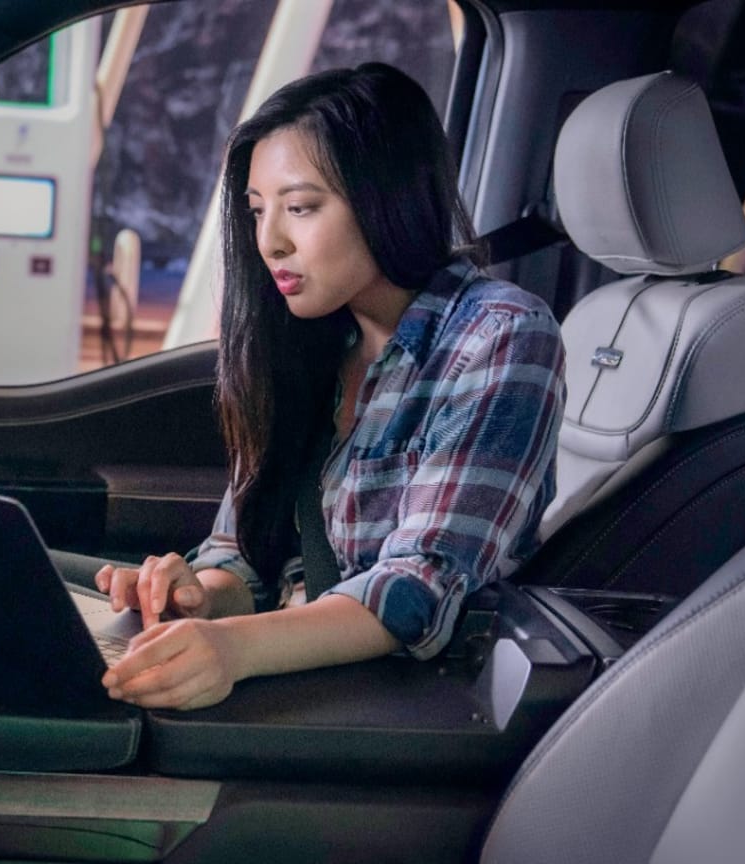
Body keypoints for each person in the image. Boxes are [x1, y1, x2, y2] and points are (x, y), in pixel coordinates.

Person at [94, 63, 565, 710]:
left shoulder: (499, 337)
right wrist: (198, 596)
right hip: (305, 681)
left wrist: (232, 647)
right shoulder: (301, 344)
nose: (271, 242)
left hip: (405, 706)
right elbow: (244, 555)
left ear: (388, 198)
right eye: (258, 212)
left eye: (301, 208)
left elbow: (416, 591)